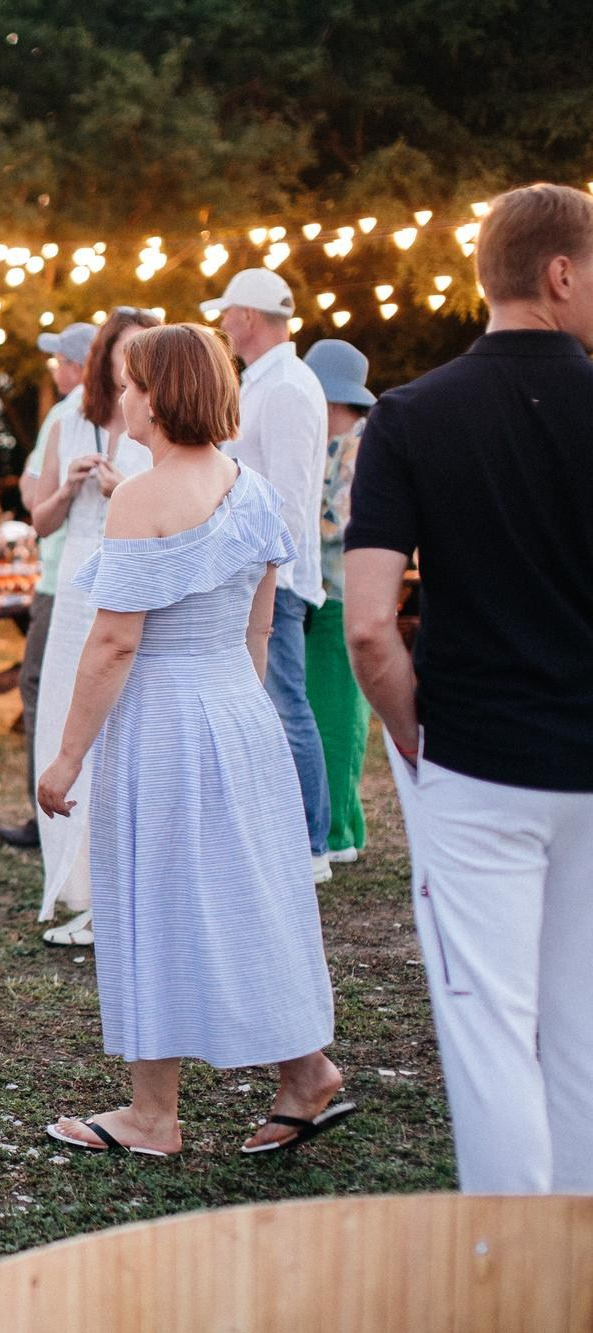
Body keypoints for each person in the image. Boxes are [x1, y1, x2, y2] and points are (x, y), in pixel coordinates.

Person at [38, 323, 348, 1158]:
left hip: (167, 717)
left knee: (155, 895)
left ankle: (153, 1114)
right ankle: (304, 1069)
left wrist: (66, 755)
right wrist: (236, 714)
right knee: (246, 893)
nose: (125, 398)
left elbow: (114, 643)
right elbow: (258, 625)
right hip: (239, 713)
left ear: (163, 395)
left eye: (134, 383)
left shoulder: (143, 495)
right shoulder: (254, 490)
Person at [345, 183, 593, 1194]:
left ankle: (514, 1282)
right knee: (581, 1026)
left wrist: (410, 734)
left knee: (489, 1028)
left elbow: (366, 623)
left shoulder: (406, 416)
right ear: (560, 272)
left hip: (476, 761)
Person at [26, 311, 160, 946]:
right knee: (61, 716)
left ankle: (123, 886)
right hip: (76, 578)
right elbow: (40, 519)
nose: (133, 363)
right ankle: (77, 882)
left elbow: (172, 502)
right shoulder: (68, 419)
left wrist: (122, 489)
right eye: (125, 352)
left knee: (120, 723)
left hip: (130, 577)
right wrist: (70, 488)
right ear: (105, 356)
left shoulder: (160, 418)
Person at [203, 269, 333, 883]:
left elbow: (286, 496)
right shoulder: (265, 382)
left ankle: (311, 844)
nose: (223, 324)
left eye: (227, 313)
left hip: (274, 577)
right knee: (270, 703)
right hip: (256, 573)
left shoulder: (285, 387)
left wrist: (266, 577)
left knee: (285, 704)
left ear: (249, 317)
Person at [2, 322, 95, 849]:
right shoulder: (104, 410)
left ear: (80, 365)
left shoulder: (67, 415)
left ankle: (48, 814)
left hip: (61, 573)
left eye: (60, 360)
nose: (55, 369)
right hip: (79, 571)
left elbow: (33, 490)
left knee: (40, 686)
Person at [302, 340, 375, 865]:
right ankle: (340, 824)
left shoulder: (353, 446)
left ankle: (337, 831)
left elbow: (341, 522)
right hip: (337, 592)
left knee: (335, 712)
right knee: (335, 710)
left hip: (339, 593)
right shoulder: (349, 442)